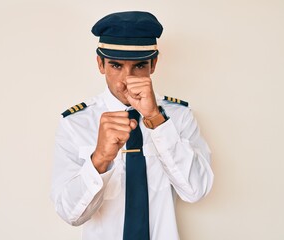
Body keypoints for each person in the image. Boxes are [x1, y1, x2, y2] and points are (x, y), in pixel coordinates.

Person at [51, 11, 214, 240]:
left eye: (139, 66)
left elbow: (196, 190)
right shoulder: (75, 123)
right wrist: (99, 159)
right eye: (116, 66)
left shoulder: (179, 116)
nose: (126, 80)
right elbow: (70, 214)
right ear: (100, 63)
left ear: (153, 64)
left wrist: (157, 121)